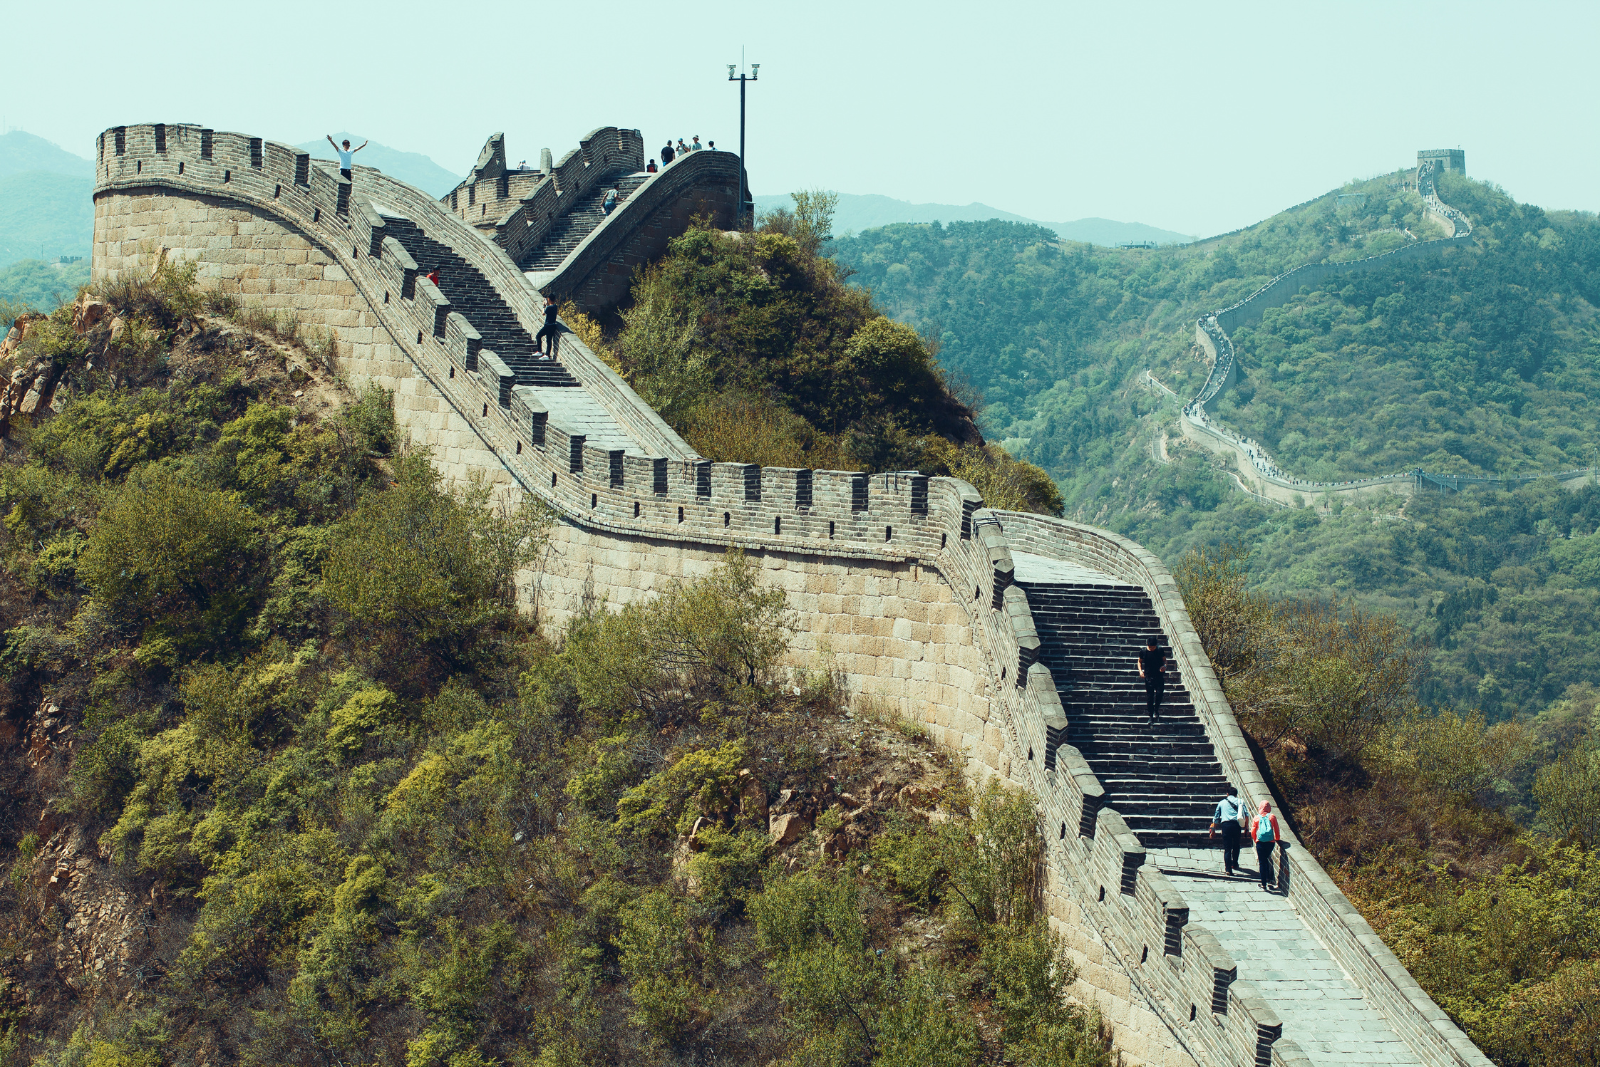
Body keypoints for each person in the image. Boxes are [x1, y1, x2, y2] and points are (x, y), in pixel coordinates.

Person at [1209, 786, 1243, 876]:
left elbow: (1216, 818)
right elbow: (1246, 815)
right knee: (1236, 845)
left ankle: (1228, 869)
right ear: (1236, 795)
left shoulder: (1221, 803)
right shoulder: (1240, 801)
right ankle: (1234, 864)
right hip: (1236, 825)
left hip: (1226, 825)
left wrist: (1213, 829)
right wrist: (1246, 827)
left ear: (1227, 794)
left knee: (1227, 848)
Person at [1136, 636, 1169, 726]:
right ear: (1147, 645)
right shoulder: (1143, 651)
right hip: (1148, 677)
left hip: (1159, 676)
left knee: (1159, 694)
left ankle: (1156, 710)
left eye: (1153, 647)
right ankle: (1150, 716)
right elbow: (1139, 661)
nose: (1152, 648)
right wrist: (1140, 671)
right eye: (1150, 647)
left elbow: (1165, 661)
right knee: (1150, 697)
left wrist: (1164, 667)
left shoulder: (1159, 650)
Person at [1250, 801, 1280, 892]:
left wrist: (1256, 840)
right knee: (1266, 858)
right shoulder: (1272, 817)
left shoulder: (1256, 818)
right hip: (1270, 843)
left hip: (1260, 842)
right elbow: (1276, 829)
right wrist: (1277, 839)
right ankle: (1268, 879)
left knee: (1262, 862)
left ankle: (1263, 884)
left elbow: (1253, 832)